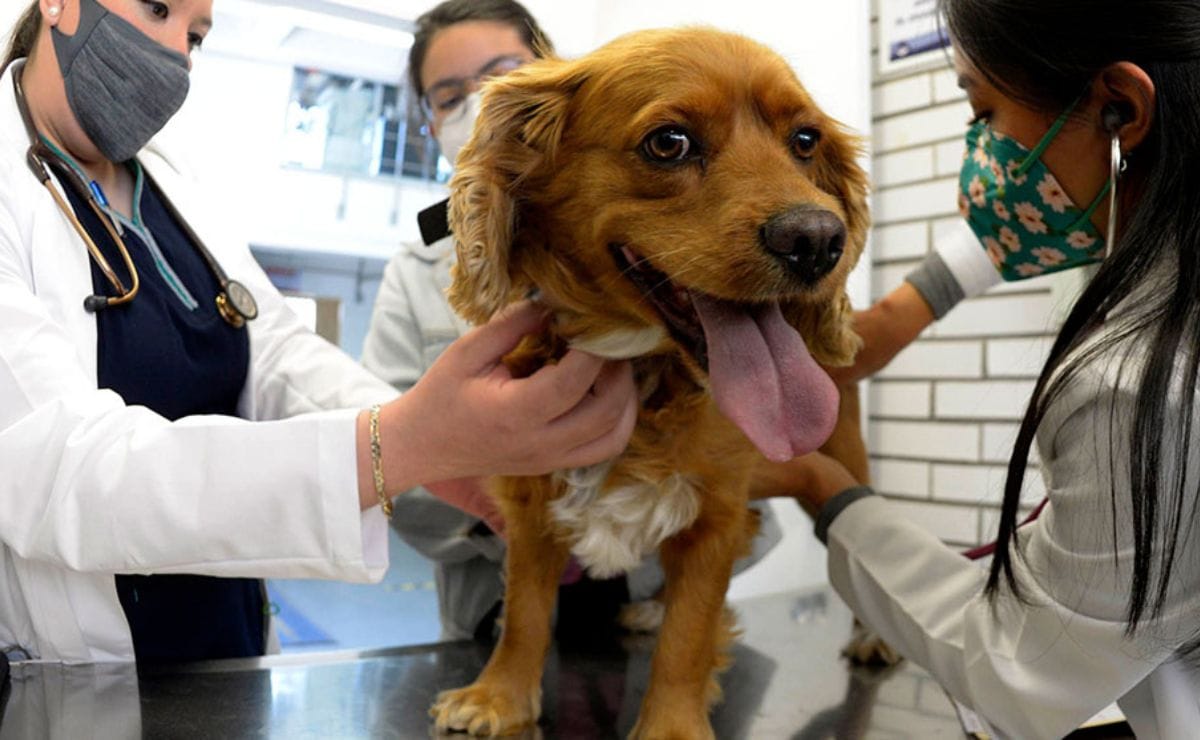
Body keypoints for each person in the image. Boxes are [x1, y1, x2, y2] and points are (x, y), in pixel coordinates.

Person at [0, 0, 637, 664]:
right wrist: (400, 443)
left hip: (226, 649)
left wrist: (436, 450)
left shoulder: (166, 178)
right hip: (82, 675)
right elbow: (61, 469)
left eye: (195, 35)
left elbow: (275, 352)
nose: (174, 52)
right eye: (157, 9)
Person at [782, 1, 1200, 737]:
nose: (983, 149)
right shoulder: (1114, 204)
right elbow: (880, 331)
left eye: (984, 110)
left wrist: (823, 488)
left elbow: (1017, 667)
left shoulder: (1141, 385)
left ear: (1120, 109)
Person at [362, 0, 781, 641]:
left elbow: (752, 463)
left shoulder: (681, 238)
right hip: (491, 612)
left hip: (664, 607)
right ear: (428, 119)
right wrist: (512, 501)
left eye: (502, 71)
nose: (481, 101)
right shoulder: (414, 271)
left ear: (549, 70)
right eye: (448, 97)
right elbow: (385, 460)